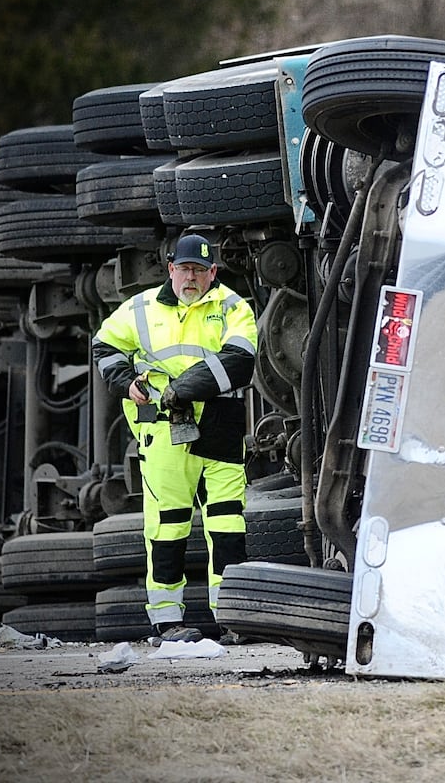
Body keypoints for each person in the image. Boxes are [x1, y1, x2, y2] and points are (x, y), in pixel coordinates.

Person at [92, 234, 258, 642]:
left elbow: (240, 361)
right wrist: (126, 381)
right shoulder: (140, 308)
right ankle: (167, 621)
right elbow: (104, 345)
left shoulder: (234, 307)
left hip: (219, 422)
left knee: (228, 520)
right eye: (184, 269)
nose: (191, 277)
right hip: (164, 426)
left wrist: (182, 387)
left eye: (200, 270)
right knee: (169, 522)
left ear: (212, 273)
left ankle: (232, 619)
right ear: (170, 270)